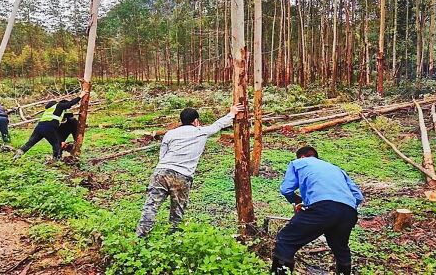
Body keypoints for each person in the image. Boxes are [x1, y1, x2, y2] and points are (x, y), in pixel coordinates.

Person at [135, 103, 245, 237]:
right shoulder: (200, 131)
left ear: (181, 121)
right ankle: (174, 237)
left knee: (151, 206)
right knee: (177, 210)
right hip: (182, 176)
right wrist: (232, 112)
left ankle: (140, 236)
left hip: (161, 172)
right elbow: (218, 125)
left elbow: (162, 155)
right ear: (196, 121)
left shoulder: (170, 133)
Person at [271, 146, 364, 275]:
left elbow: (286, 189)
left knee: (286, 240)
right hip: (348, 212)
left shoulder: (298, 163)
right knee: (340, 249)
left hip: (323, 208)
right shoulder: (337, 169)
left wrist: (297, 200)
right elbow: (358, 196)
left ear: (302, 156)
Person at [14, 90, 87, 162]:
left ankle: (16, 156)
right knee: (56, 145)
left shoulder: (51, 109)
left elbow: (63, 116)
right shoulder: (60, 105)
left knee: (30, 143)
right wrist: (81, 96)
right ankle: (56, 161)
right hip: (48, 127)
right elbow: (70, 104)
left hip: (39, 127)